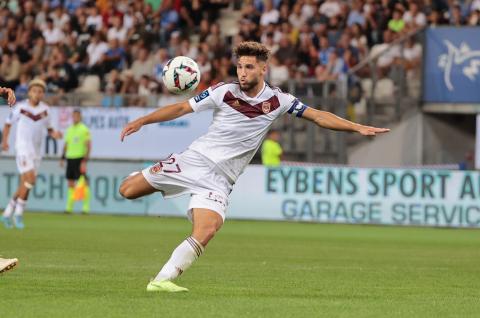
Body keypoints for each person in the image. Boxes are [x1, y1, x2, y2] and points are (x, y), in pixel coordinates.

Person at [119, 41, 390, 293]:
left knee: (207, 230)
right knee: (127, 191)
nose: (242, 72)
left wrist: (356, 126)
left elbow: (318, 116)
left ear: (263, 68)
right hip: (193, 161)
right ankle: (139, 176)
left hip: (221, 180)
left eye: (248, 67)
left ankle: (161, 282)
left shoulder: (278, 101)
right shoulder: (222, 92)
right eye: (239, 66)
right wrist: (143, 120)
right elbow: (180, 109)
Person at [1, 79, 62, 229]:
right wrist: (5, 141)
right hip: (22, 148)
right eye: (34, 91)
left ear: (43, 94)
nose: (37, 94)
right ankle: (19, 213)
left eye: (40, 91)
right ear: (29, 92)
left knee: (25, 183)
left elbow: (49, 129)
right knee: (31, 179)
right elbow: (8, 124)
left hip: (36, 151)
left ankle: (7, 212)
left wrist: (55, 134)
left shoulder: (46, 110)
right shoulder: (21, 107)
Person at [60, 109, 91, 214]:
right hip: (70, 158)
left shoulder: (84, 129)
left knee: (84, 183)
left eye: (77, 116)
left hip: (80, 158)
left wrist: (84, 160)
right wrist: (62, 158)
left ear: (80, 117)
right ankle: (69, 208)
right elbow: (66, 144)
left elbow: (88, 145)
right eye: (74, 116)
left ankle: (85, 208)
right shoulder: (69, 129)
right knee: (70, 183)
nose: (75, 118)